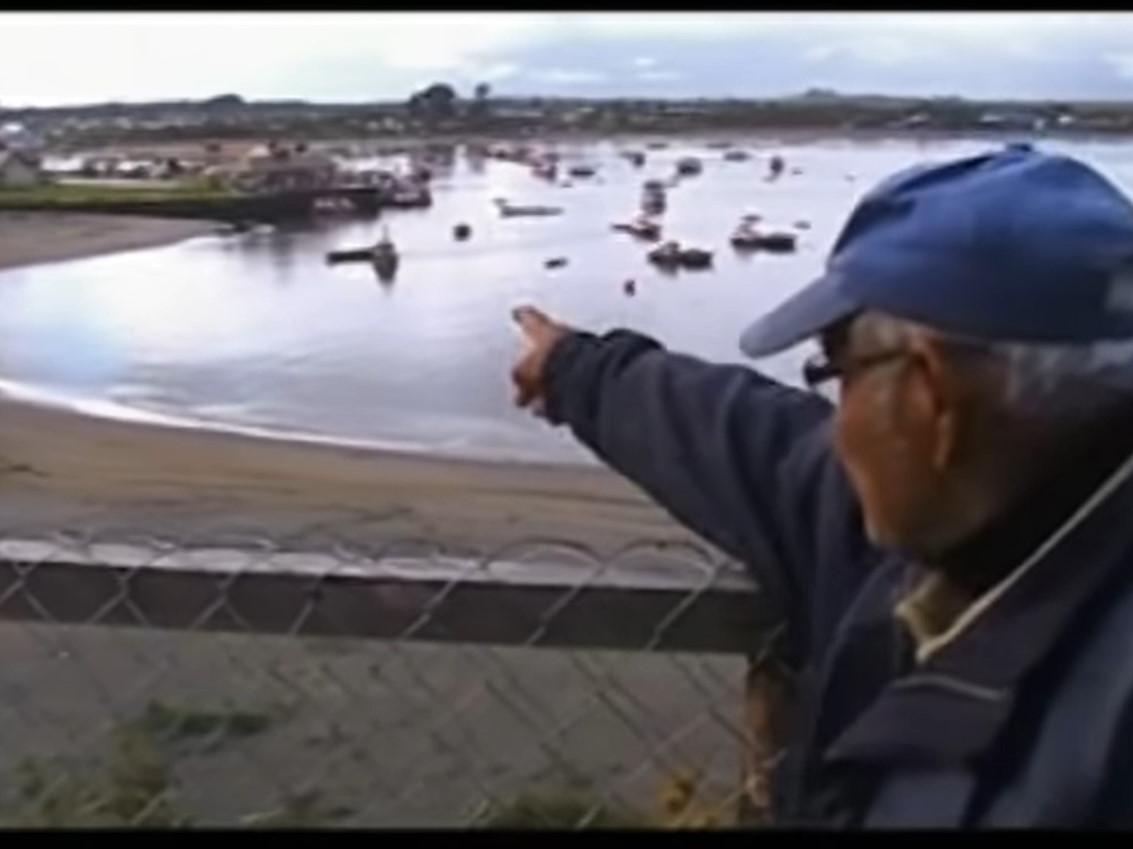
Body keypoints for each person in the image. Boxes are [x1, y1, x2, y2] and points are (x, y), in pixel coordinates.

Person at [509, 143, 1133, 827]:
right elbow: (759, 445)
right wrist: (577, 370)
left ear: (928, 394)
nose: (837, 429)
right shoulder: (968, 526)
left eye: (837, 373)